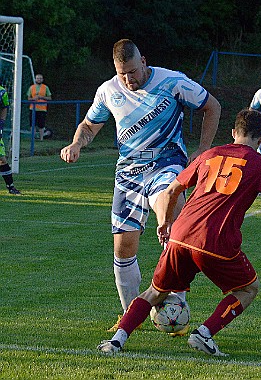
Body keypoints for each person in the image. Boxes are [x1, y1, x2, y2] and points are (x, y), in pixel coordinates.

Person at [97, 108, 261, 356]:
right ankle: (203, 334)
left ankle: (117, 341)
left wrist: (165, 222)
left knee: (154, 292)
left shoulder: (210, 154)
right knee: (248, 289)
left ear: (233, 132)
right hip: (215, 239)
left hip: (180, 234)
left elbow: (171, 191)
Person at [60, 39, 221, 330]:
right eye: (122, 73)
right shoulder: (108, 90)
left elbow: (212, 106)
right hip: (128, 174)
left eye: (133, 72)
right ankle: (130, 316)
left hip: (166, 164)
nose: (128, 79)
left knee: (169, 219)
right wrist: (76, 143)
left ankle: (177, 304)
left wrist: (202, 149)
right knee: (123, 248)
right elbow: (89, 125)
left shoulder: (173, 82)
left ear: (144, 61)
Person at [0, 84, 21, 195]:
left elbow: (5, 107)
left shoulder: (2, 92)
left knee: (2, 159)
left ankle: (11, 187)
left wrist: (2, 122)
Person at [27, 73, 52, 141]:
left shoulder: (45, 87)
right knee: (32, 124)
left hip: (42, 109)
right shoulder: (31, 87)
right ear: (35, 79)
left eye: (40, 78)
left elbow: (49, 98)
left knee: (41, 125)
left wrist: (42, 97)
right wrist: (33, 99)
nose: (39, 79)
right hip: (33, 108)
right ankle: (33, 138)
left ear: (42, 79)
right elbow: (29, 98)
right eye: (37, 78)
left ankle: (41, 138)